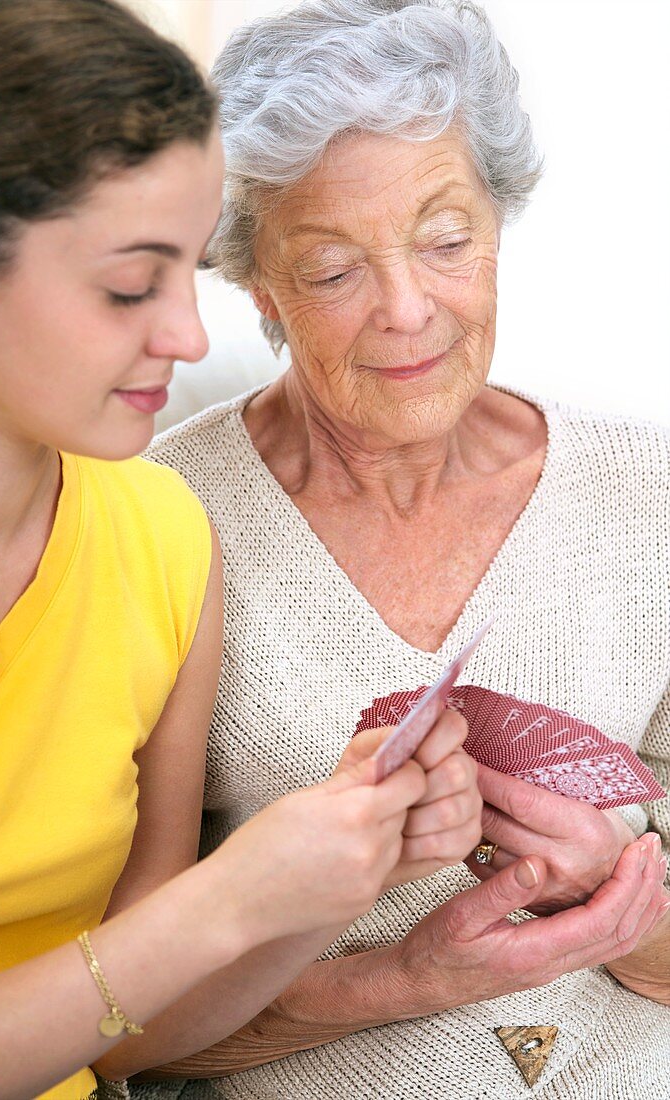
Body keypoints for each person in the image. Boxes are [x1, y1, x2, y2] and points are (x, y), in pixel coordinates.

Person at [0, 2, 488, 1098]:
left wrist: (323, 884)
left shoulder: (162, 532)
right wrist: (229, 894)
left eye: (190, 272)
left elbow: (124, 1032)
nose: (190, 336)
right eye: (130, 285)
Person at [137, 1, 670, 1097]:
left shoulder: (648, 494)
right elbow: (115, 1018)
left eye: (445, 240)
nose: (406, 308)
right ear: (257, 283)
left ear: (498, 224)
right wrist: (403, 975)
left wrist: (612, 900)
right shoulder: (158, 521)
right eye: (332, 268)